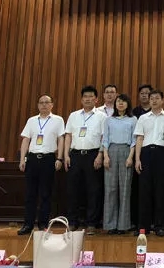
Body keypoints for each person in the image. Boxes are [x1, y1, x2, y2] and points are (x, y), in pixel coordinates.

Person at [17, 94, 65, 235]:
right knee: (30, 194)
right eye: (41, 102)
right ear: (38, 105)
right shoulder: (32, 120)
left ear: (52, 105)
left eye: (47, 102)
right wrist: (22, 159)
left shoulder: (58, 120)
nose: (44, 105)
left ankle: (43, 224)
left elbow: (61, 139)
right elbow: (26, 140)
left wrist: (59, 158)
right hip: (32, 159)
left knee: (46, 193)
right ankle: (28, 224)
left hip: (48, 159)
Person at [64, 85, 107, 234]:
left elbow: (104, 138)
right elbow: (68, 135)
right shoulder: (74, 115)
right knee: (73, 190)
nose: (88, 99)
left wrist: (100, 155)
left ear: (96, 99)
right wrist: (66, 155)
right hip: (75, 155)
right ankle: (72, 221)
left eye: (91, 96)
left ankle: (91, 223)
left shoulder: (102, 116)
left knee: (93, 190)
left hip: (93, 155)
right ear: (81, 99)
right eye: (85, 97)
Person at [134, 89, 164, 236]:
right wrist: (137, 159)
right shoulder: (143, 118)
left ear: (162, 100)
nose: (154, 101)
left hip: (162, 153)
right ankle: (143, 226)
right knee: (144, 191)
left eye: (157, 98)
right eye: (152, 99)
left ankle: (159, 225)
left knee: (160, 191)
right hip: (146, 153)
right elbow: (139, 138)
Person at [103, 93, 137, 234]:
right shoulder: (109, 120)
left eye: (123, 101)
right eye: (118, 101)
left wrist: (130, 157)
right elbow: (105, 139)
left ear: (128, 104)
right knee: (110, 189)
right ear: (115, 104)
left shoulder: (133, 119)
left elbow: (134, 140)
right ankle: (110, 225)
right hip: (111, 151)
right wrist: (105, 156)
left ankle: (123, 225)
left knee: (125, 189)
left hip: (126, 151)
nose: (120, 103)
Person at [131, 84, 153, 229]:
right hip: (136, 154)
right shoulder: (133, 113)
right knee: (137, 189)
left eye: (147, 93)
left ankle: (152, 221)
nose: (145, 95)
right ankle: (137, 221)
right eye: (142, 93)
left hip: (153, 154)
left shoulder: (156, 111)